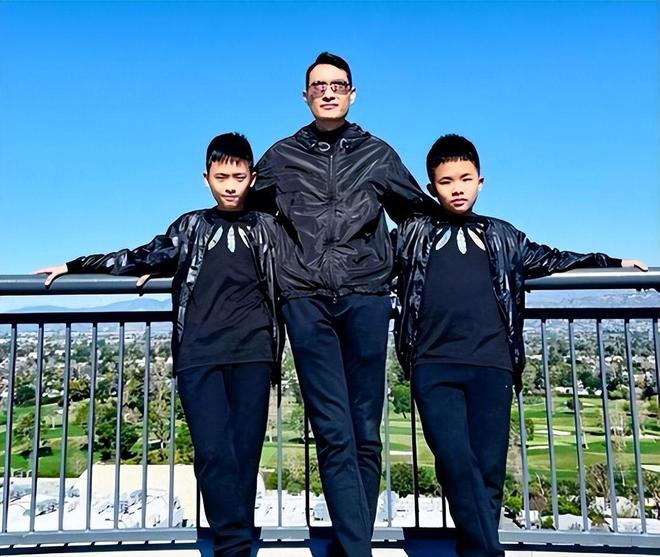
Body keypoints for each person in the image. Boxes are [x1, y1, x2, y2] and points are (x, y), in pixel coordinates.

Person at [393, 133, 647, 557]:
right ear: (431, 187)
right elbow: (369, 266)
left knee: (488, 470)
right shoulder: (411, 235)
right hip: (432, 365)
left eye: (465, 179)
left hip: (492, 366)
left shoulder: (503, 236)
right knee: (454, 463)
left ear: (481, 181)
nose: (457, 188)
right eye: (446, 181)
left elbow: (553, 258)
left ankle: (476, 551)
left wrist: (612, 262)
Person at [34, 133, 281, 557]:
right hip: (199, 354)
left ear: (252, 178)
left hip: (254, 353)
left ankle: (236, 542)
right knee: (212, 452)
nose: (230, 185)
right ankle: (234, 545)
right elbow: (140, 256)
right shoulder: (189, 227)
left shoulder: (268, 229)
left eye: (239, 177)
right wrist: (76, 265)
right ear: (206, 179)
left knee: (245, 453)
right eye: (221, 177)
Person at [250, 52, 431, 556]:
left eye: (338, 85)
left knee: (365, 428)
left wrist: (387, 260)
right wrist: (171, 255)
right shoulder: (281, 156)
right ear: (305, 95)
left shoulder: (377, 154)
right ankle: (357, 549)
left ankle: (354, 544)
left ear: (353, 93)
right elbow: (242, 212)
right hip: (305, 301)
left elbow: (417, 214)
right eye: (318, 86)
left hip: (366, 297)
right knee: (332, 429)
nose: (328, 92)